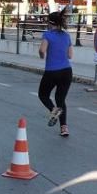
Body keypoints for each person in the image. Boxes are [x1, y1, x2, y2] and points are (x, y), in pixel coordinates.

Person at [38, 9, 74, 137]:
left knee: (43, 95)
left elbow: (42, 50)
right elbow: (70, 55)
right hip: (67, 72)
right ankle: (64, 128)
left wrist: (42, 55)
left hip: (52, 71)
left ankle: (54, 110)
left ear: (50, 23)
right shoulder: (66, 36)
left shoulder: (47, 35)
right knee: (61, 99)